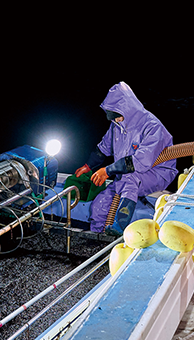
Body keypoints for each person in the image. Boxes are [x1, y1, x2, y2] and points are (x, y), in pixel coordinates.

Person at [74, 82, 176, 235]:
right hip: (126, 171)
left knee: (129, 179)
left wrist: (108, 171)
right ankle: (97, 237)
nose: (116, 121)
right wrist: (88, 166)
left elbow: (140, 162)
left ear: (129, 110)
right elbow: (103, 148)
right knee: (100, 204)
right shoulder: (117, 125)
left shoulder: (152, 126)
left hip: (156, 173)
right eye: (113, 118)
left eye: (118, 117)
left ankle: (119, 227)